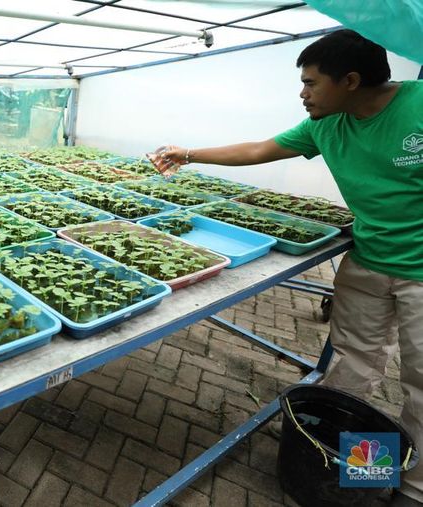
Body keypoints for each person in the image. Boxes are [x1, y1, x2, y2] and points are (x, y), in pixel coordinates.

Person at [152, 29, 422, 506]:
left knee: (419, 383)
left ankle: (413, 486)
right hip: (369, 260)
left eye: (311, 83)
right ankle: (348, 463)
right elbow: (259, 150)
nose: (303, 94)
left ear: (350, 81)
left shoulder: (417, 105)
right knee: (352, 365)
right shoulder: (325, 124)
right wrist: (187, 154)